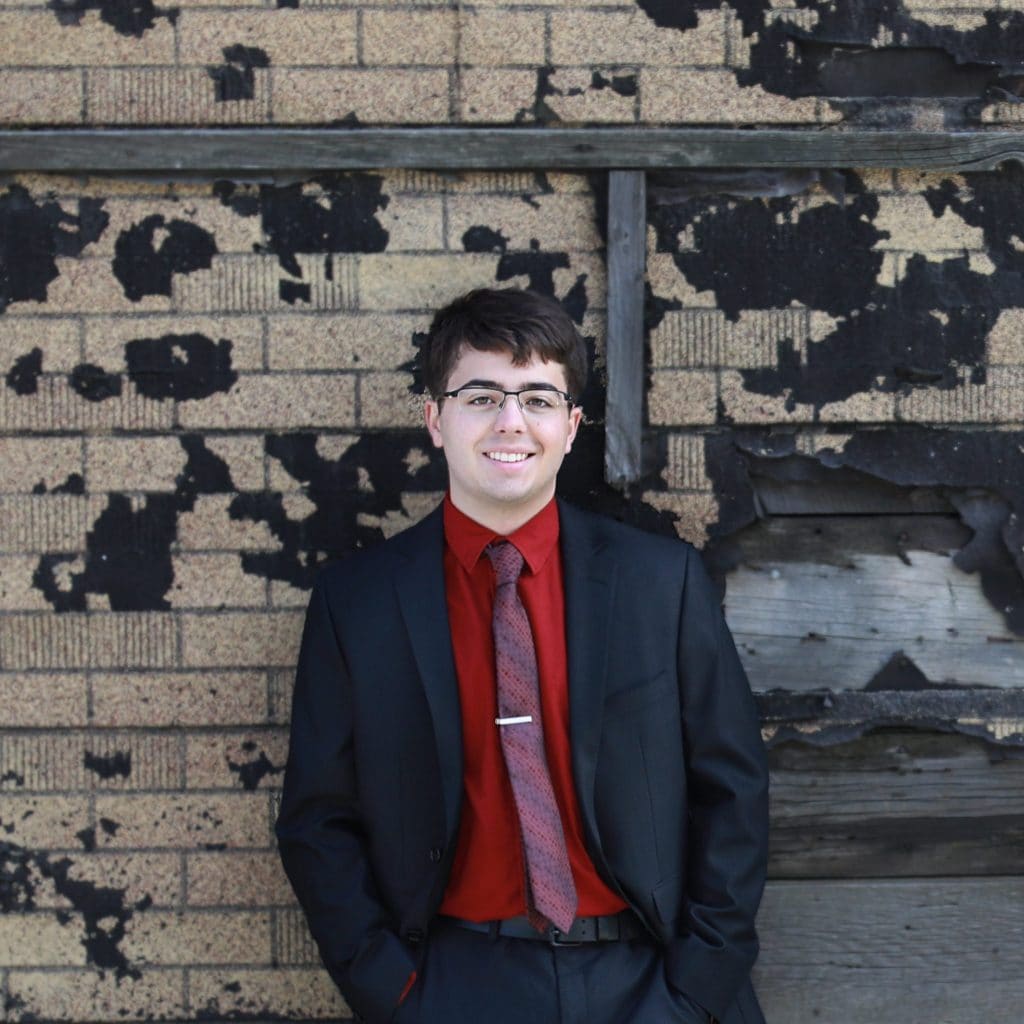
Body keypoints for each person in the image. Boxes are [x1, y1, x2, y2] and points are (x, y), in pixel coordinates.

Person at [276, 287, 769, 1024]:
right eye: (481, 396)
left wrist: (695, 987)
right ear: (435, 420)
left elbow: (732, 788)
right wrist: (394, 991)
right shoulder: (359, 603)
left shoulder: (659, 584)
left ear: (570, 428)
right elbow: (318, 817)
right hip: (452, 984)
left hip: (651, 978)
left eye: (538, 398)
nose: (511, 421)